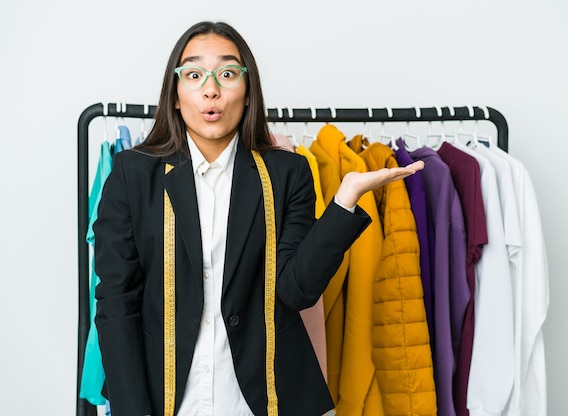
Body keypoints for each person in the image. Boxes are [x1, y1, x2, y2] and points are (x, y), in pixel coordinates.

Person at [93, 21, 424, 416]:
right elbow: (116, 302)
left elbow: (297, 290)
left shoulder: (288, 173)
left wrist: (345, 200)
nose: (211, 89)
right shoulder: (132, 173)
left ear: (248, 94)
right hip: (166, 398)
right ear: (176, 96)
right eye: (195, 74)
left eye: (228, 73)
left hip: (266, 398)